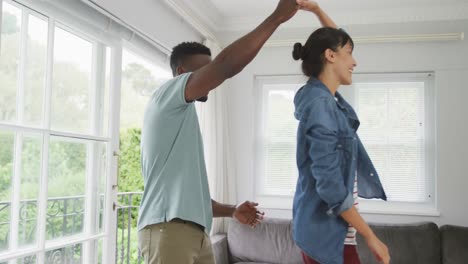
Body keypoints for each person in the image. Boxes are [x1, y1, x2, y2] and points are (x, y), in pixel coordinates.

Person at [137, 1, 299, 264]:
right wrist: (276, 18)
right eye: (204, 70)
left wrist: (232, 210)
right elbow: (225, 67)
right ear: (180, 73)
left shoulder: (182, 117)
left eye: (209, 70)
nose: (212, 80)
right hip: (168, 231)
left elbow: (193, 199)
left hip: (194, 232)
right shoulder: (165, 97)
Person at [292, 1, 391, 264]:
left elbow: (335, 40)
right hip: (326, 235)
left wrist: (317, 11)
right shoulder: (321, 105)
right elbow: (330, 184)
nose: (354, 61)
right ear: (330, 56)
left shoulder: (322, 99)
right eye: (349, 53)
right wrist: (370, 235)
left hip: (327, 232)